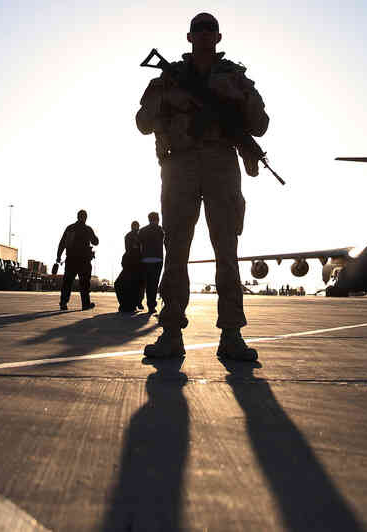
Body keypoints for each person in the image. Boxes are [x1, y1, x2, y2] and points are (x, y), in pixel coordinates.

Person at [136, 13, 269, 360]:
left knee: (227, 250)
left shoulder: (236, 79)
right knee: (176, 249)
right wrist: (164, 97)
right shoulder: (169, 77)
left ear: (219, 37)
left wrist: (238, 97)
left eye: (211, 29)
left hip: (221, 164)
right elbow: (142, 123)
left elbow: (260, 125)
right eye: (200, 29)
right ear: (189, 36)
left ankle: (231, 334)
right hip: (179, 164)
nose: (205, 34)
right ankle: (170, 333)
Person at [56, 209, 99, 311]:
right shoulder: (87, 229)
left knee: (67, 282)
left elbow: (62, 243)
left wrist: (58, 256)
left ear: (77, 217)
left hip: (71, 259)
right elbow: (96, 242)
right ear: (85, 218)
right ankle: (85, 304)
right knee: (84, 283)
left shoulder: (70, 228)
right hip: (84, 261)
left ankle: (63, 302)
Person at [138, 211, 164, 314]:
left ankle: (147, 304)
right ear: (158, 219)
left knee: (147, 283)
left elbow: (138, 242)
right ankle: (151, 306)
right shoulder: (161, 230)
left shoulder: (143, 230)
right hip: (157, 259)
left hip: (146, 259)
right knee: (154, 283)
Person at [117, 221, 143, 312]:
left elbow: (128, 250)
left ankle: (126, 304)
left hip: (130, 264)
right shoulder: (139, 236)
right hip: (134, 264)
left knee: (121, 284)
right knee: (136, 285)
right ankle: (134, 304)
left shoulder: (129, 236)